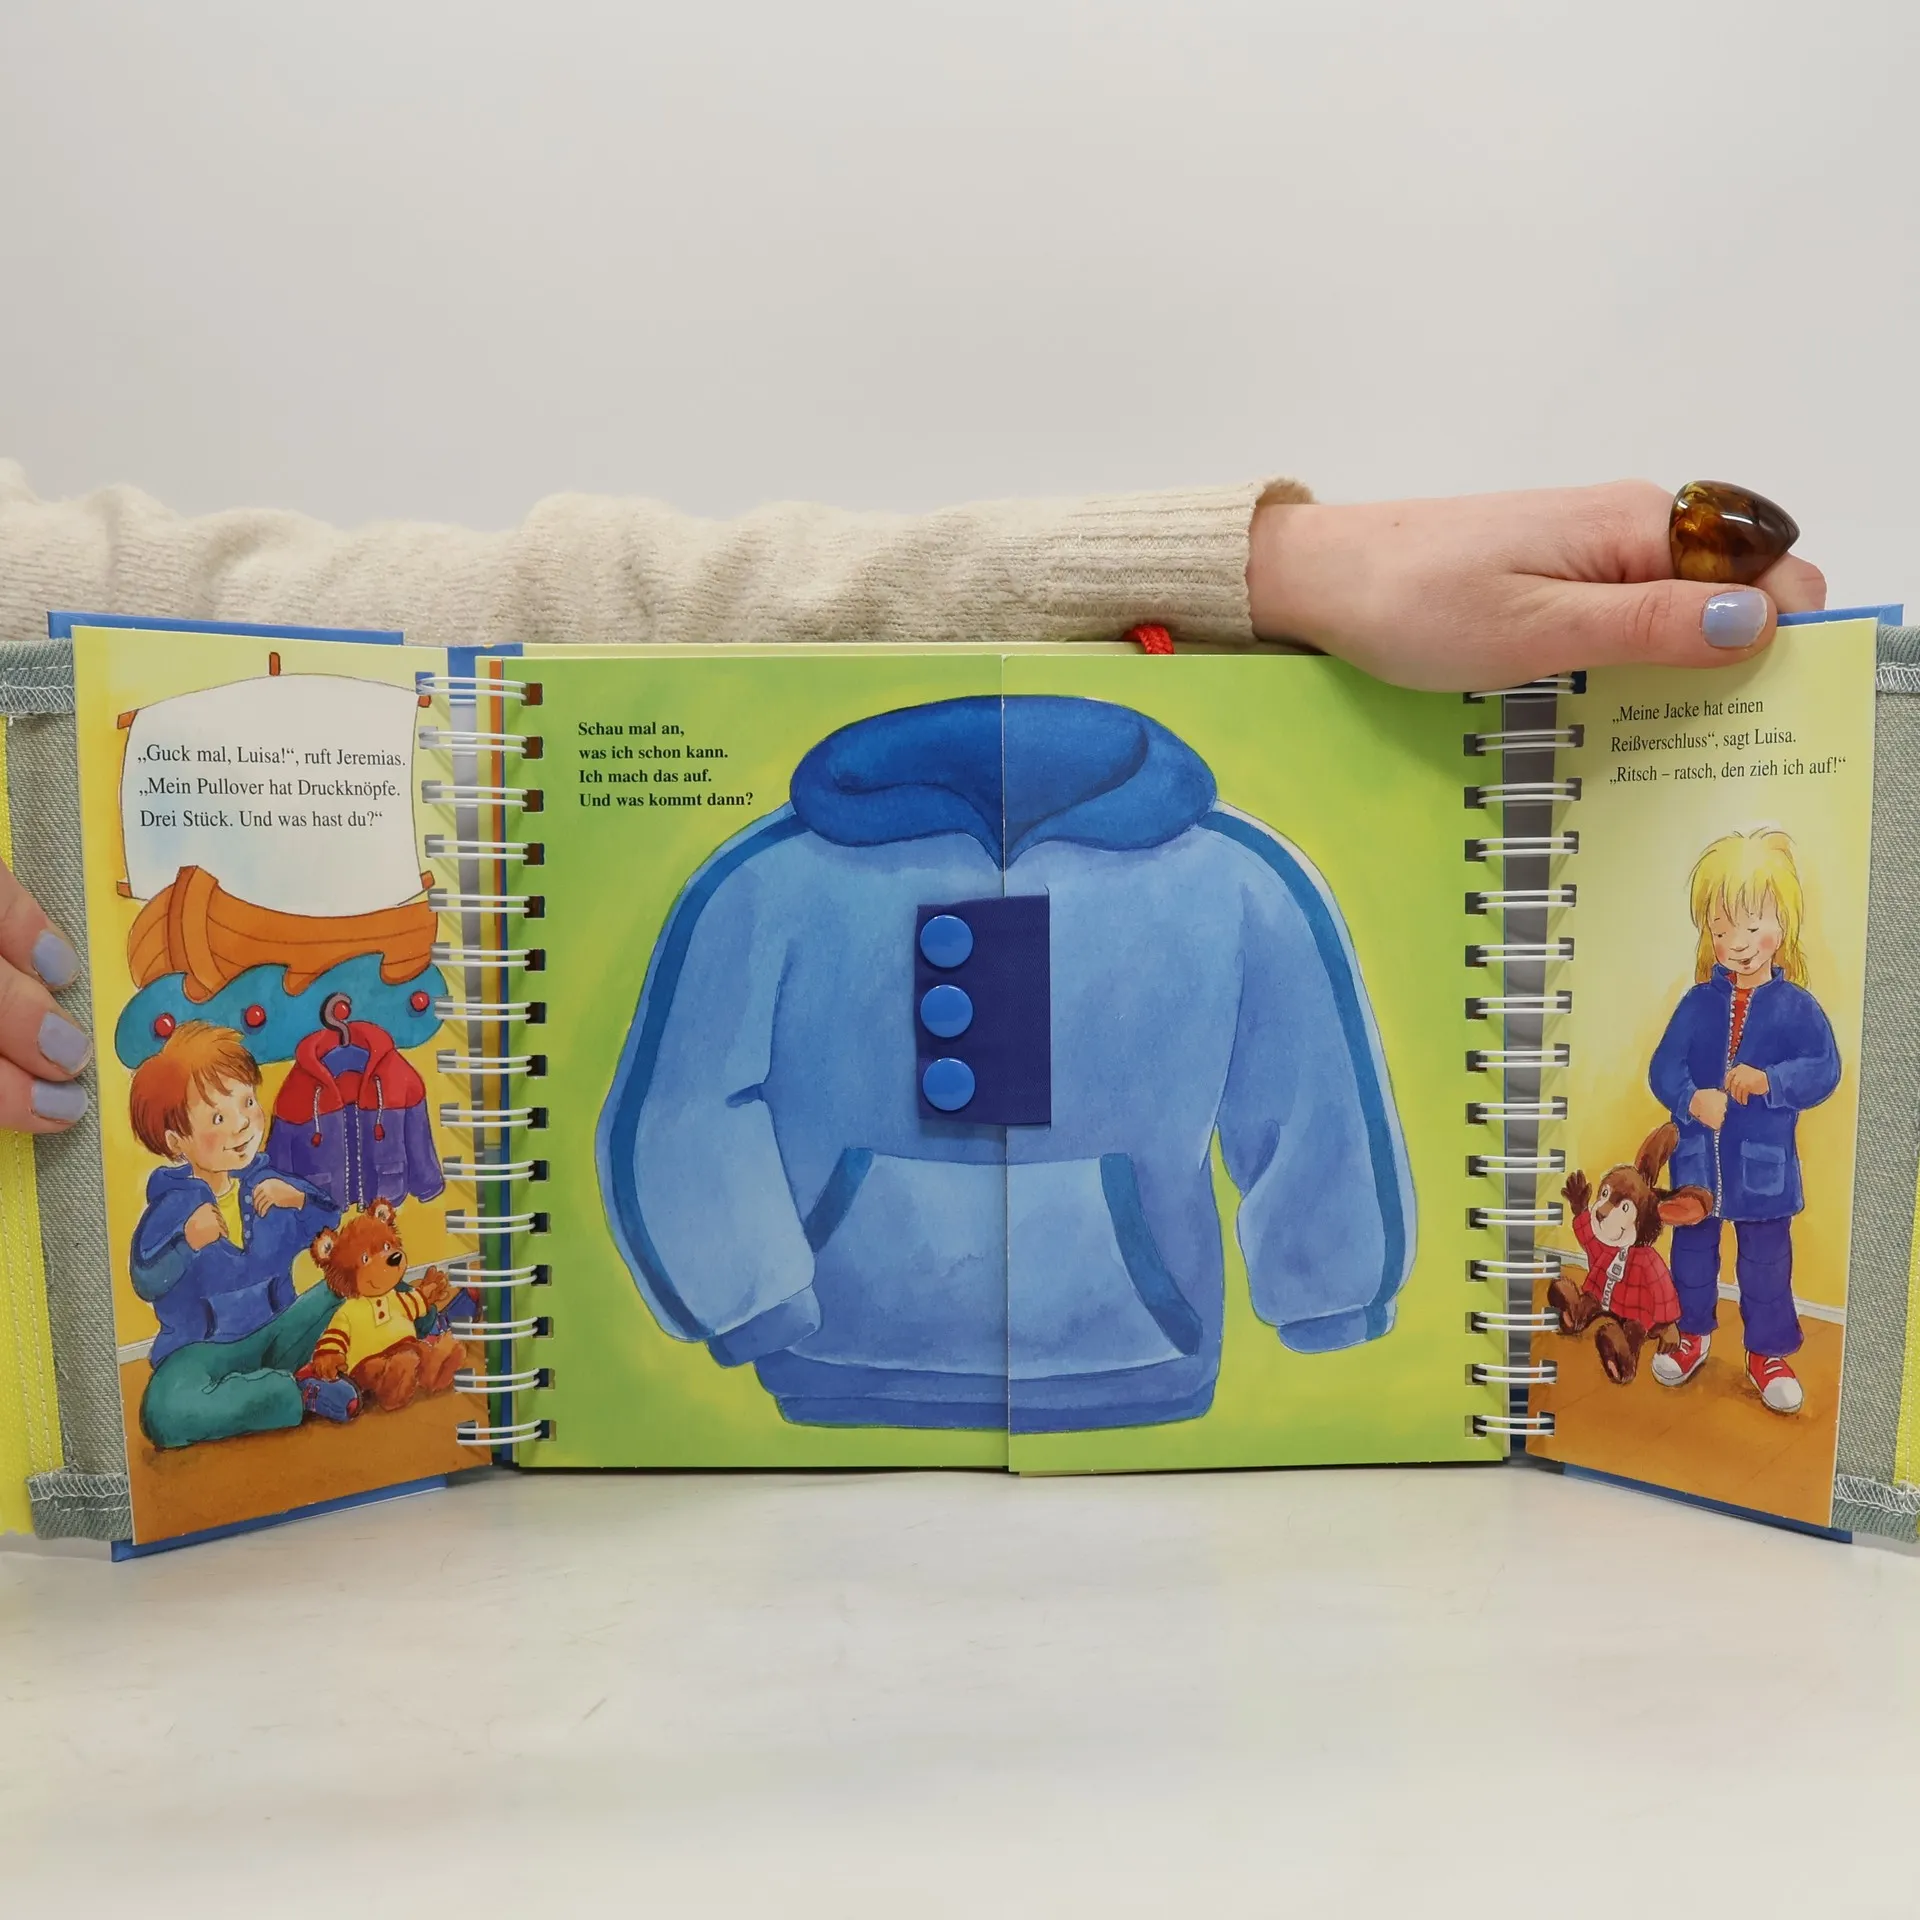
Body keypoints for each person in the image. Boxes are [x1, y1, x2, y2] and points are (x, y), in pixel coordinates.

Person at [0, 461, 1826, 1136]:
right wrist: (749, 1298)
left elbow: (346, 613)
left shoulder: (1233, 883)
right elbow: (688, 1111)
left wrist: (1265, 566)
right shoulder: (776, 885)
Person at [1648, 830, 1842, 1413]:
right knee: (1691, 1257)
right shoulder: (1695, 1003)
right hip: (1696, 1166)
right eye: (1721, 928)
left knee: (1765, 1265)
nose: (1737, 943)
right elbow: (1663, 1068)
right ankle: (1691, 1335)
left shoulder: (1797, 1006)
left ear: (1784, 924)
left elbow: (1824, 1068)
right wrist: (1691, 1100)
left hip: (1764, 1169)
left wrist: (1770, 1082)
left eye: (1754, 926)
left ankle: (1768, 1354)